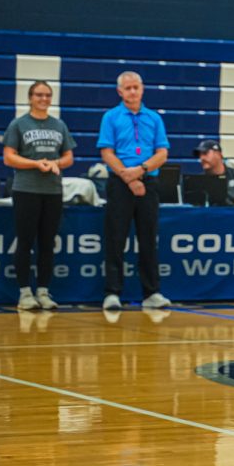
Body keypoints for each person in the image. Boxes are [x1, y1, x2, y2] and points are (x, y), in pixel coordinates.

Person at [97, 71, 171, 310]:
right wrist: (128, 178)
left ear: (142, 89)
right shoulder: (111, 117)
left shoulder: (154, 118)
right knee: (116, 238)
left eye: (135, 87)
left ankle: (151, 293)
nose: (132, 91)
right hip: (120, 182)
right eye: (127, 88)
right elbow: (107, 152)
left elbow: (162, 153)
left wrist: (141, 170)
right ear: (120, 91)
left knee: (149, 239)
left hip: (147, 182)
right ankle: (112, 293)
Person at [3, 80, 75, 310]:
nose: (43, 99)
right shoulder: (18, 124)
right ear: (30, 97)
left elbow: (68, 157)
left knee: (47, 243)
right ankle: (24, 293)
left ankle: (43, 291)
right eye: (39, 95)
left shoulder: (59, 125)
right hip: (26, 190)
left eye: (47, 95)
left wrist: (55, 163)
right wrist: (36, 164)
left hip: (53, 191)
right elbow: (9, 157)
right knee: (25, 242)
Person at [192, 140, 234, 206]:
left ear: (219, 154)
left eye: (205, 153)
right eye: (199, 155)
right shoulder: (198, 182)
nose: (201, 158)